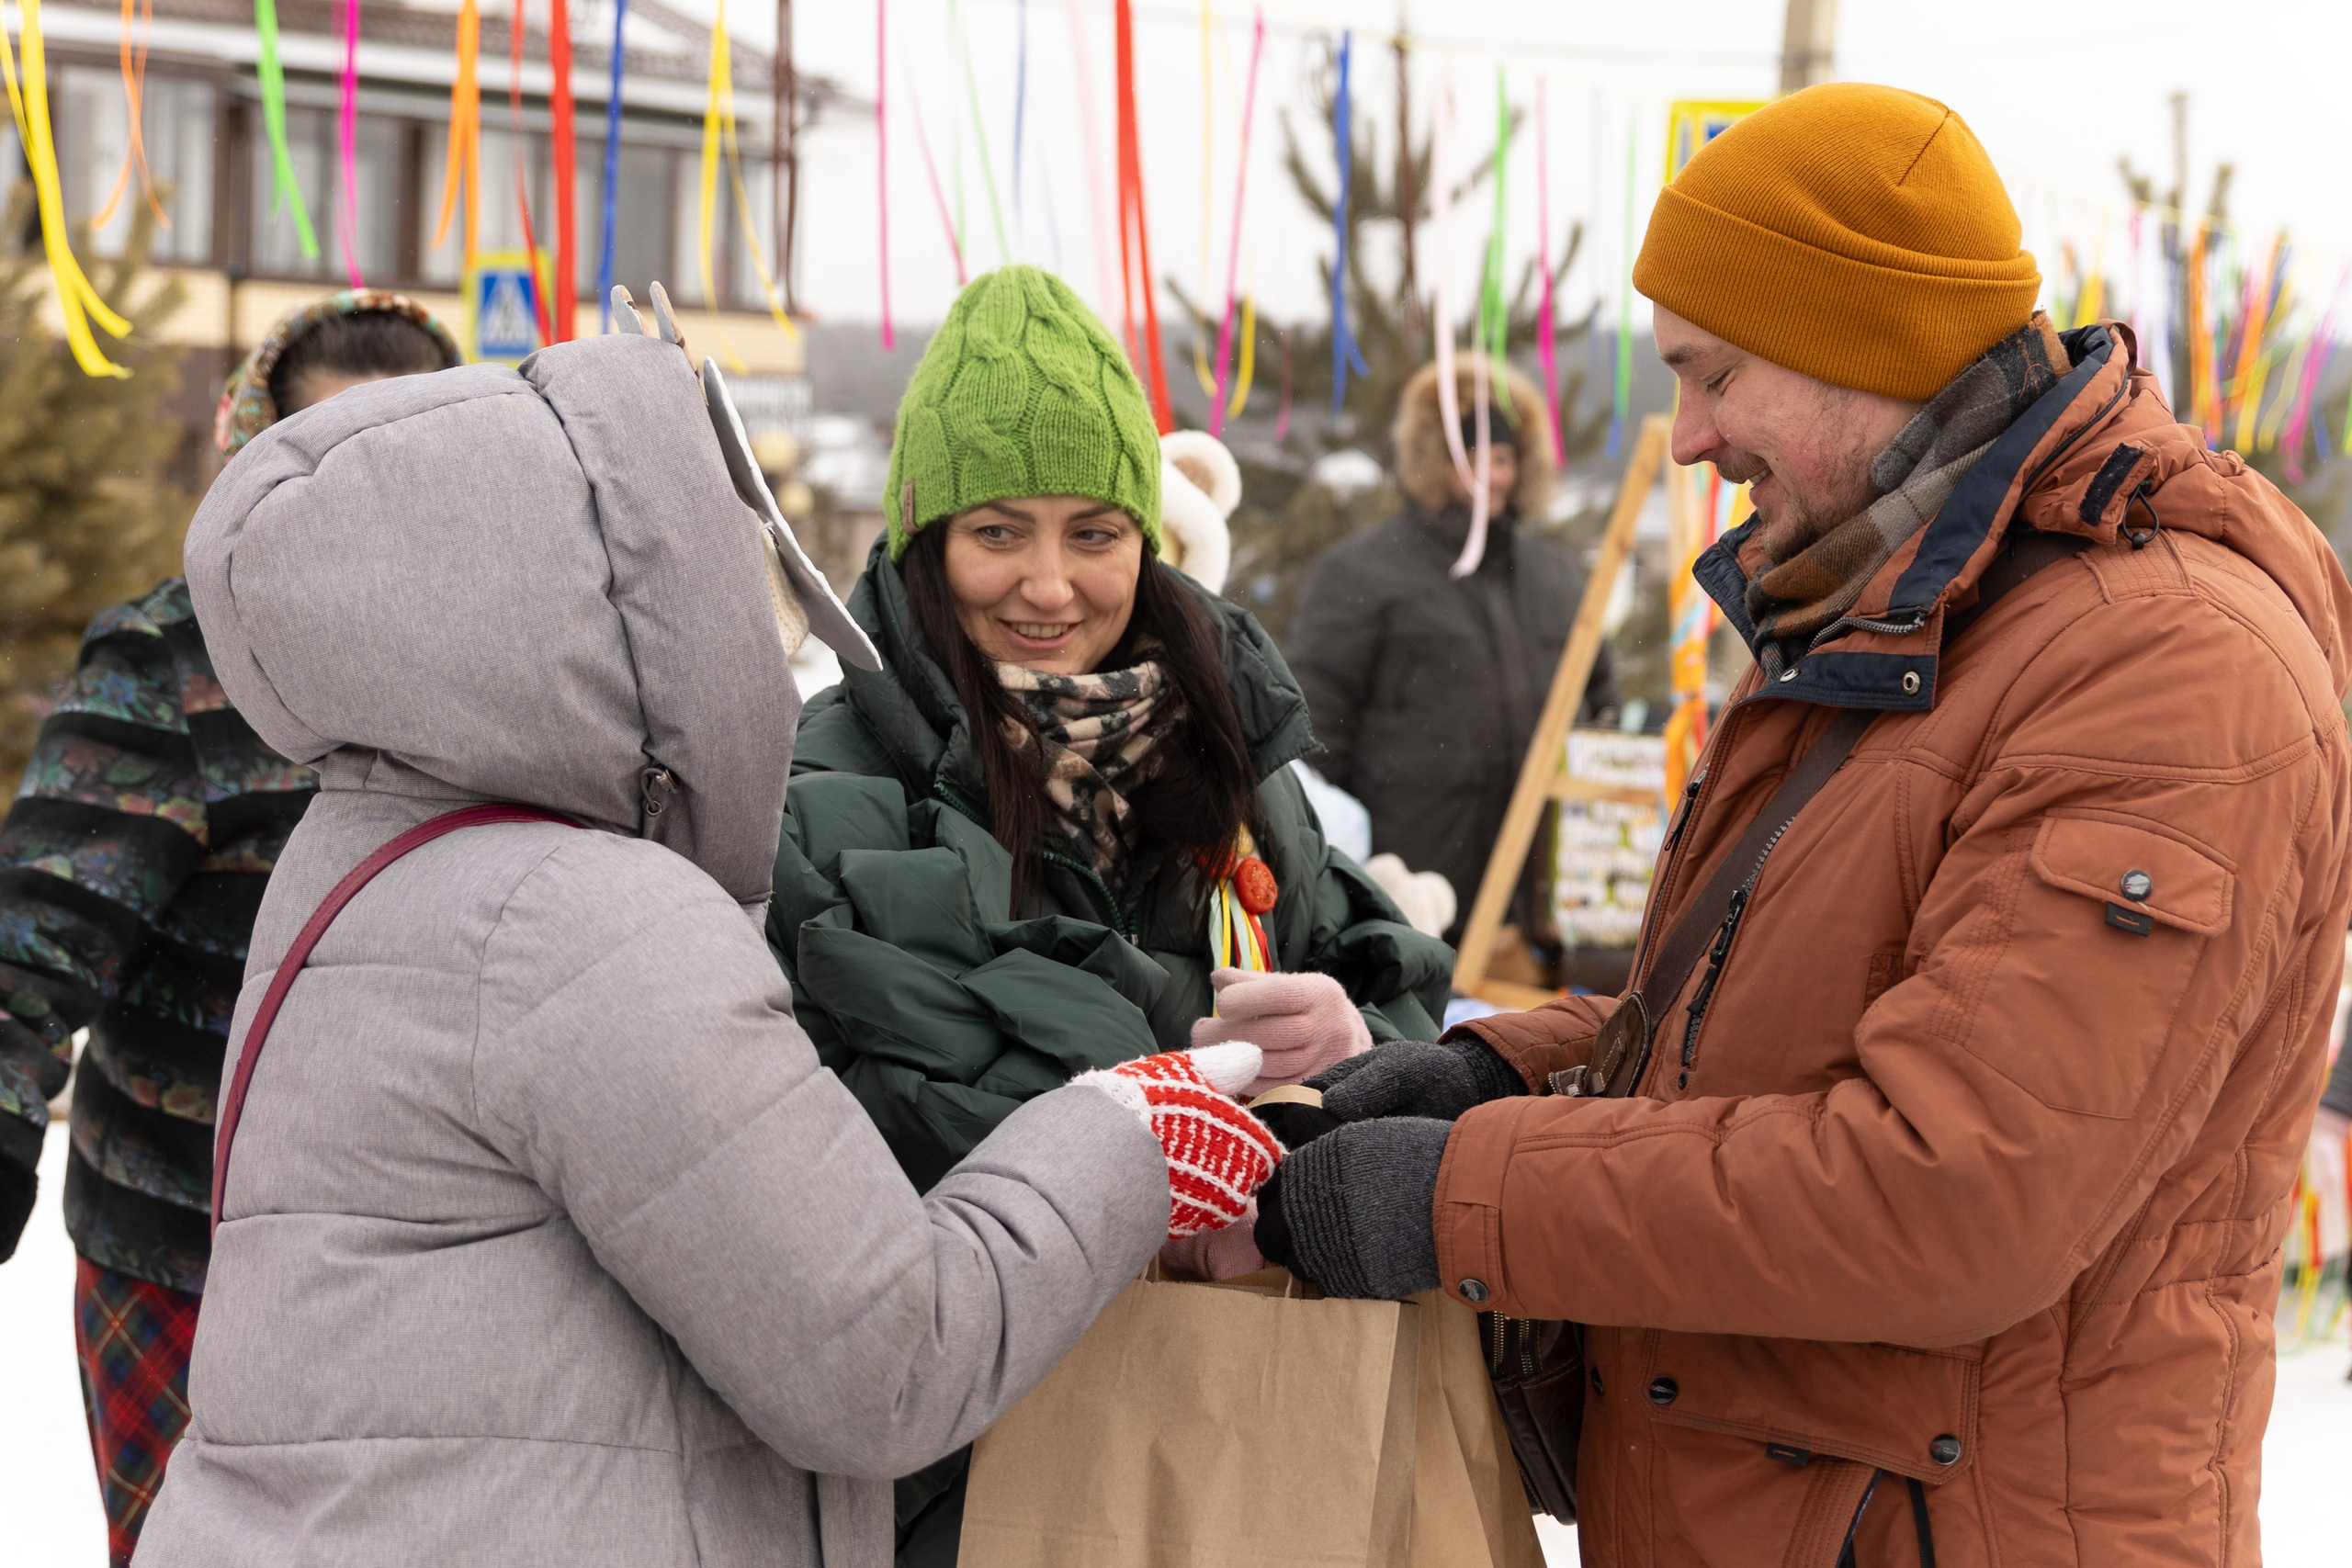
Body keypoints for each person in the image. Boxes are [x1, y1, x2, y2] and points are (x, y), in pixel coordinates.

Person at [1253, 84, 2352, 1567]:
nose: (1690, 435)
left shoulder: (2158, 670)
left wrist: (1463, 1193)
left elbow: (1952, 1189)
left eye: (1716, 374)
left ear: (1861, 344)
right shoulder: (1906, 615)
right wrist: (1487, 1068)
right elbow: (1784, 1028)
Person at [135, 302, 1281, 1565]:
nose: (756, 598)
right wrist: (1118, 1135)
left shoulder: (366, 849)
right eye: (719, 551)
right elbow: (885, 1361)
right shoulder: (589, 921)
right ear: (594, 598)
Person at [769, 265, 1451, 1562]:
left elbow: (1397, 978)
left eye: (1095, 532)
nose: (1048, 584)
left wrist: (1355, 1040)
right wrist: (1202, 1064)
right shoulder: (824, 784)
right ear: (923, 538)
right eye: (998, 532)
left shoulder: (1239, 764)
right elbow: (916, 1067)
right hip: (946, 1455)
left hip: (1224, 1437)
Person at [0, 288, 458, 1567]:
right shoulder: (172, 665)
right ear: (256, 469)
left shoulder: (498, 667)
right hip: (186, 1257)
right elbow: (34, 945)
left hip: (418, 1259)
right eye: (316, 468)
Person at [1286, 359, 1619, 948]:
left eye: (1504, 458)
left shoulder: (1560, 579)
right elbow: (1316, 739)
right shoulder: (1359, 573)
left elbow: (1602, 711)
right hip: (1411, 894)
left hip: (1540, 905)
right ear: (1436, 461)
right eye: (1472, 457)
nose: (1489, 475)